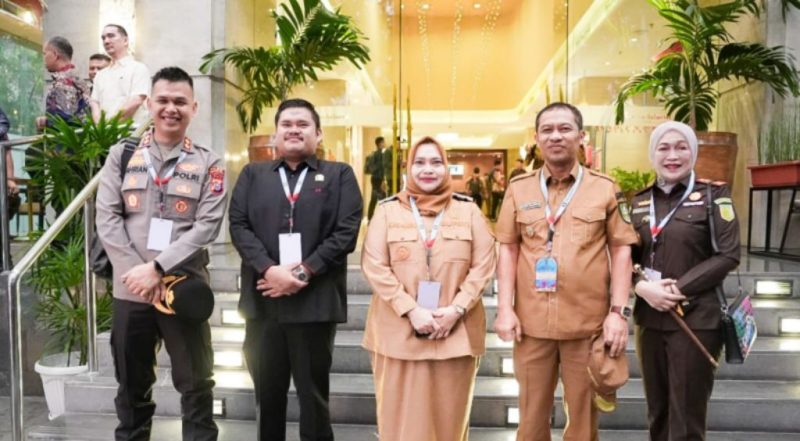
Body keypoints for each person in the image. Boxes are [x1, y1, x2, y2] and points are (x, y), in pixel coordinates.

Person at [96, 66, 226, 441]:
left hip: (183, 289)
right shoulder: (122, 155)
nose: (171, 108)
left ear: (194, 108)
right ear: (150, 105)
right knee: (131, 388)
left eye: (180, 102)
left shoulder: (209, 163)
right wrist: (137, 274)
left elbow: (207, 226)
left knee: (196, 384)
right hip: (131, 290)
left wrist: (157, 268)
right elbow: (107, 218)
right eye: (164, 100)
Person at [494, 102, 637, 441]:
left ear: (581, 136)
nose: (555, 136)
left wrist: (618, 313)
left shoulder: (604, 187)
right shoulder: (519, 188)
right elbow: (508, 249)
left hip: (587, 326)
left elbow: (621, 250)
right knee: (531, 420)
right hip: (531, 326)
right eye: (547, 130)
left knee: (584, 423)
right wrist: (504, 309)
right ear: (536, 138)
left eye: (564, 128)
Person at [229, 98, 362, 441]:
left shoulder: (340, 175)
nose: (294, 130)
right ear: (275, 134)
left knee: (313, 398)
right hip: (264, 303)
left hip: (314, 304)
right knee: (266, 397)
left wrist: (303, 272)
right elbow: (239, 226)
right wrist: (269, 270)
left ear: (318, 134)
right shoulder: (253, 174)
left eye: (303, 124)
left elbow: (345, 232)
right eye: (286, 124)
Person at [361, 136, 495, 441]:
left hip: (455, 332)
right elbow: (374, 265)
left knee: (450, 422)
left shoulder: (468, 211)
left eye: (436, 162)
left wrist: (457, 309)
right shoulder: (387, 211)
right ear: (408, 168)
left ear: (446, 167)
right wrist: (411, 310)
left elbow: (484, 264)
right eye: (419, 162)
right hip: (397, 332)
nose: (428, 169)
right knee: (401, 422)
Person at [630, 121, 740, 441]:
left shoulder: (713, 195)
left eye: (681, 147)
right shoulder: (638, 202)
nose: (672, 155)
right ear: (652, 154)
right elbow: (624, 258)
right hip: (649, 319)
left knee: (687, 416)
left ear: (693, 152)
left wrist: (677, 289)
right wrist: (642, 287)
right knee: (658, 412)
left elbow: (728, 255)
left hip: (696, 319)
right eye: (663, 148)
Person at [90, 24, 151, 126]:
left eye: (111, 36)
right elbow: (95, 103)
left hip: (132, 131)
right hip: (105, 132)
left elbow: (136, 101)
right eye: (103, 38)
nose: (106, 41)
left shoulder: (138, 68)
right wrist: (100, 128)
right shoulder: (100, 75)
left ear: (125, 40)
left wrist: (110, 125)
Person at [36, 36, 91, 129]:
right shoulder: (77, 80)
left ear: (55, 54)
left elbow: (68, 119)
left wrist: (46, 122)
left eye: (45, 54)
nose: (44, 58)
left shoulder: (64, 82)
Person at [365, 136, 388, 220]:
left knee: (375, 199)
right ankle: (382, 218)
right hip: (377, 179)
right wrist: (382, 180)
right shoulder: (379, 154)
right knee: (382, 199)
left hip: (375, 178)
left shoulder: (375, 154)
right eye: (383, 142)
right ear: (379, 144)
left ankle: (370, 217)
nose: (384, 144)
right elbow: (380, 168)